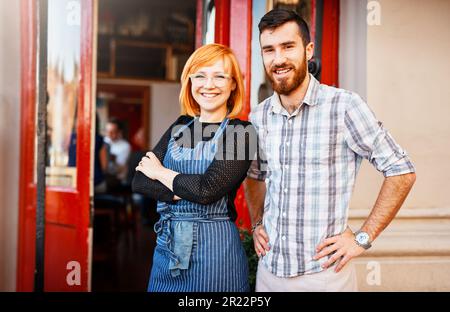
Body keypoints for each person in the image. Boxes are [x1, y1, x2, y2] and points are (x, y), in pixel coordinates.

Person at [244, 9, 416, 292]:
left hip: (324, 276)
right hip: (269, 273)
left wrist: (362, 237)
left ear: (308, 50)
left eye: (288, 47)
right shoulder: (258, 117)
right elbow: (254, 175)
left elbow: (401, 170)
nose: (278, 59)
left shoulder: (344, 106)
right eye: (269, 50)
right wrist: (256, 223)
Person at [132, 43, 256, 292]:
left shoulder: (242, 133)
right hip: (167, 249)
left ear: (233, 84)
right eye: (200, 75)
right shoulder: (180, 126)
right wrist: (189, 188)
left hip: (215, 254)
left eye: (219, 76)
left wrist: (161, 174)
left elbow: (207, 191)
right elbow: (140, 182)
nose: (208, 84)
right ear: (189, 81)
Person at [104, 118, 131, 183]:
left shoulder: (125, 146)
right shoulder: (103, 141)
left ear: (119, 132)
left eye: (112, 131)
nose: (109, 134)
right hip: (104, 177)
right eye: (107, 131)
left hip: (116, 180)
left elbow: (120, 168)